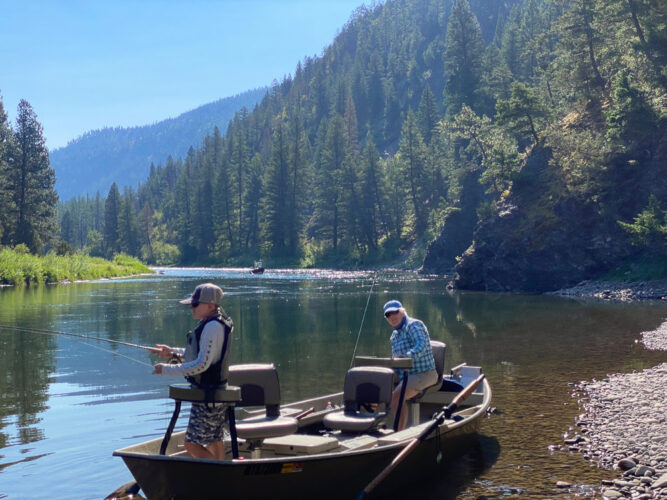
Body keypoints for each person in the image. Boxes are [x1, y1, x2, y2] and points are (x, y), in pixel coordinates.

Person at [153, 283, 233, 460]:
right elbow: (201, 356)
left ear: (210, 306)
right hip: (213, 394)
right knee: (214, 439)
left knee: (191, 444)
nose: (191, 308)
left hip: (208, 395)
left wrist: (166, 369)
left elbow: (202, 364)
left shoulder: (213, 327)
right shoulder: (212, 323)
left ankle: (220, 475)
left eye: (195, 304)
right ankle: (222, 476)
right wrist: (172, 352)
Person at [383, 299, 437, 431]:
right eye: (388, 315)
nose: (392, 317)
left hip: (424, 373)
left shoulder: (413, 325)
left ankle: (399, 433)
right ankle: (369, 425)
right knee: (376, 384)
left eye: (395, 312)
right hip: (404, 375)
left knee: (397, 395)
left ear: (402, 312)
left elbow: (421, 345)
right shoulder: (394, 336)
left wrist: (406, 357)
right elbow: (396, 360)